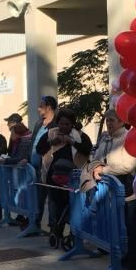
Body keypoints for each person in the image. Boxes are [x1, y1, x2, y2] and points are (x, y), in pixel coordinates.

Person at [89, 108, 136, 270]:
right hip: (110, 190)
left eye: (112, 120)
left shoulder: (129, 138)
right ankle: (119, 256)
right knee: (117, 225)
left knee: (131, 225)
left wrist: (103, 170)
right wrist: (95, 166)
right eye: (107, 120)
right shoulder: (106, 138)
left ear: (121, 121)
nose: (108, 123)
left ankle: (133, 261)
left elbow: (127, 166)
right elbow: (96, 158)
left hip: (128, 190)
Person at [36, 108, 92, 237]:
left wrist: (72, 142)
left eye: (67, 124)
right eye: (61, 123)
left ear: (72, 124)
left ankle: (74, 234)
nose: (64, 127)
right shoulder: (51, 133)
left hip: (74, 179)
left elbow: (87, 149)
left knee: (72, 207)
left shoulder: (80, 135)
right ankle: (57, 232)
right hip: (53, 178)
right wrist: (51, 143)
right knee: (56, 206)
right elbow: (39, 149)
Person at [31, 96, 58, 227]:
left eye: (41, 106)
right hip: (35, 168)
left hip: (49, 167)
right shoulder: (38, 124)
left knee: (52, 198)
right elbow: (32, 142)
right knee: (38, 197)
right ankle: (36, 223)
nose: (38, 108)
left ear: (48, 107)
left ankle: (53, 225)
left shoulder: (56, 125)